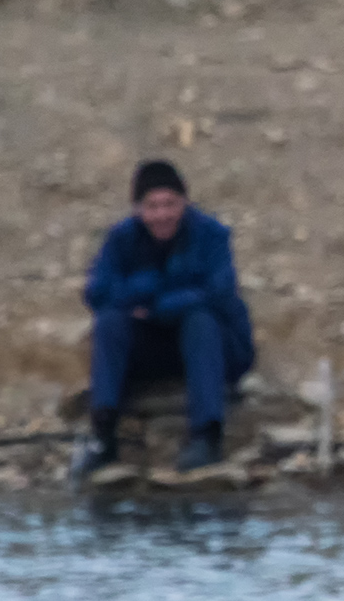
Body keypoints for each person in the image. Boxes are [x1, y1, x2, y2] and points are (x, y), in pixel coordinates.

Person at [78, 159, 255, 474]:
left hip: (215, 348)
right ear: (138, 209)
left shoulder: (211, 235)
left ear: (185, 202)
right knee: (110, 323)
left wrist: (160, 304)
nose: (162, 214)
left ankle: (206, 436)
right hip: (156, 346)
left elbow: (219, 292)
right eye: (152, 206)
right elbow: (97, 292)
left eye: (170, 204)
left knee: (199, 319)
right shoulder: (121, 239)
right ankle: (103, 435)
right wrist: (140, 291)